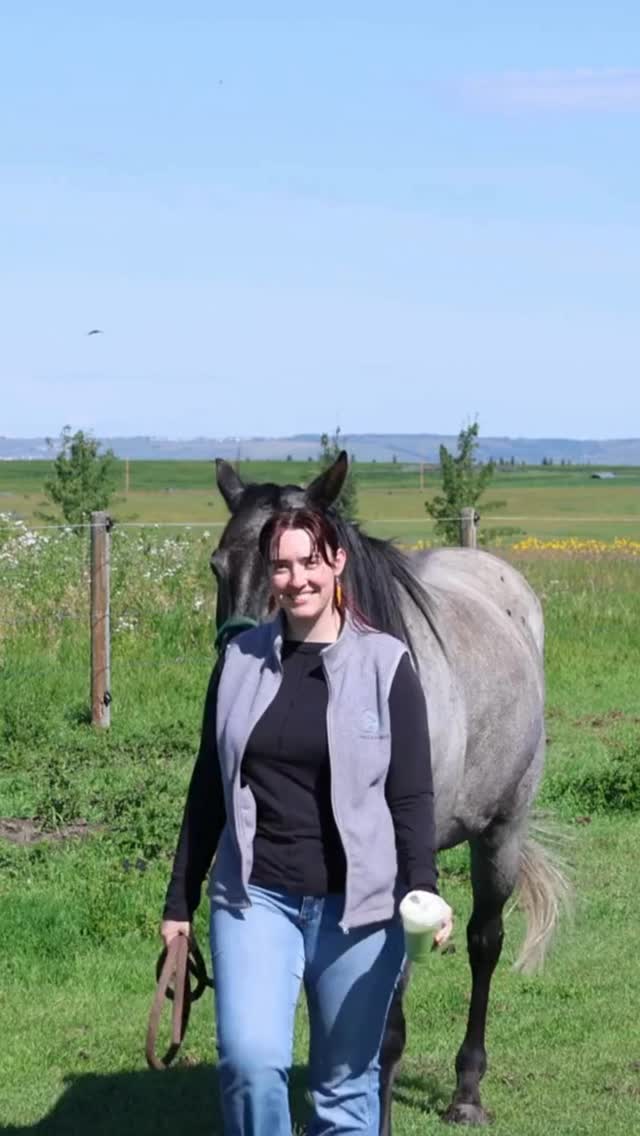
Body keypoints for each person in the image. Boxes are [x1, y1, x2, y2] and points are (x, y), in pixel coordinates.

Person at [161, 506, 452, 1136]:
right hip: (255, 898)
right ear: (269, 575)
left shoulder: (386, 665)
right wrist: (179, 902)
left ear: (338, 563)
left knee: (345, 1089)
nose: (297, 579)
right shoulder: (238, 661)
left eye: (310, 563)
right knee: (250, 1062)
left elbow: (410, 794)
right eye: (283, 566)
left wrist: (422, 884)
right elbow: (208, 785)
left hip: (361, 910)